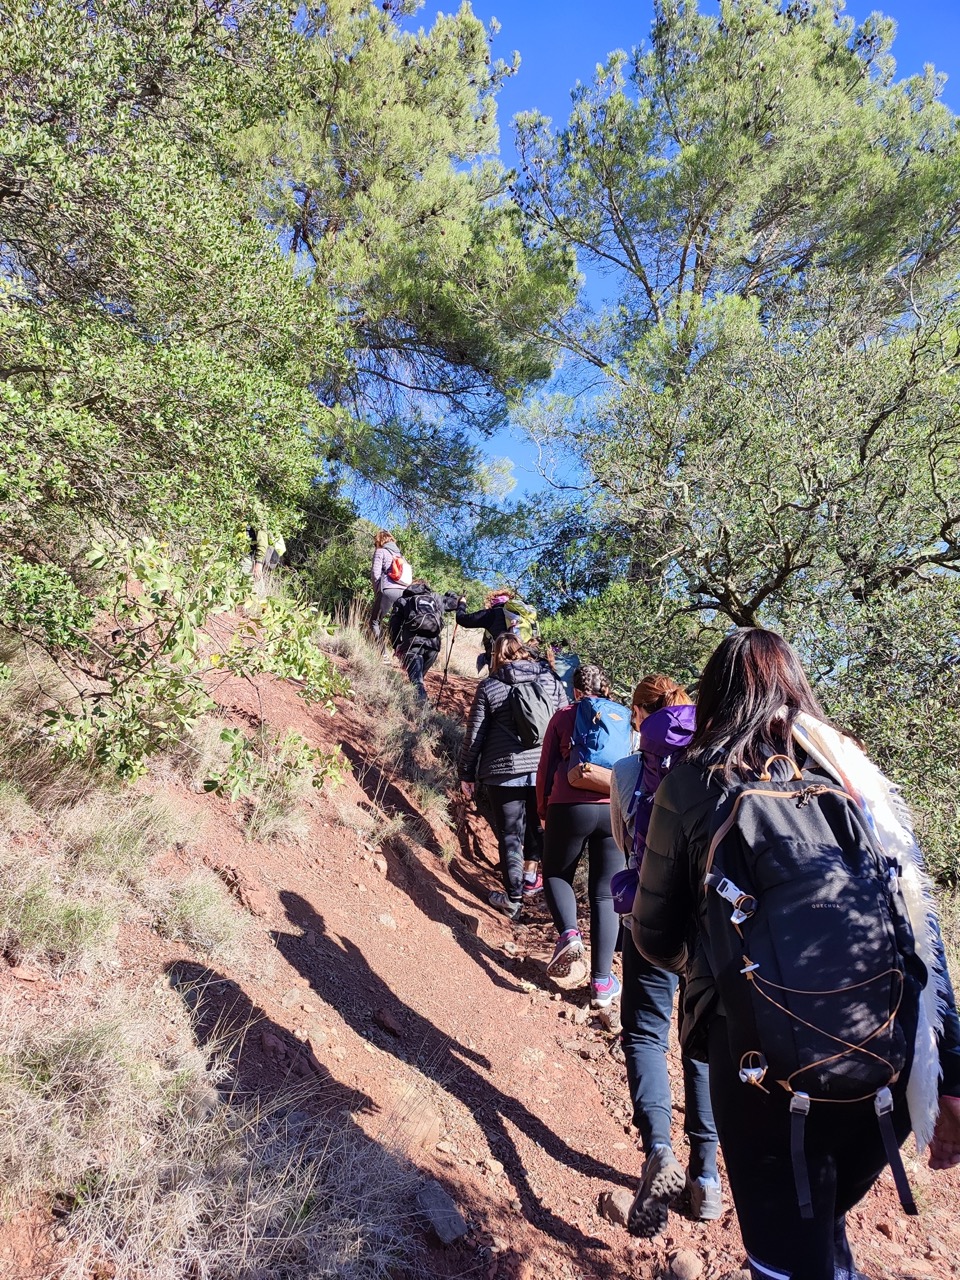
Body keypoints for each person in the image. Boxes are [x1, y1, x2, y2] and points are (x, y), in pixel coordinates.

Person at [632, 628, 960, 1280]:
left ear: (715, 694)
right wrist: (951, 1069)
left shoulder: (693, 781)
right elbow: (921, 925)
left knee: (785, 1259)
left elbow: (654, 935)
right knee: (824, 1226)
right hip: (885, 1064)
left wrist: (725, 961)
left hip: (764, 1074)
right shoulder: (852, 775)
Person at [609, 675, 721, 1237]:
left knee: (646, 1033)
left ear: (641, 714)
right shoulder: (715, 768)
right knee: (698, 1043)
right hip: (706, 936)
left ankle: (658, 1148)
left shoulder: (631, 771)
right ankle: (707, 1180)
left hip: (649, 924)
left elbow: (623, 841)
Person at [458, 634, 567, 919]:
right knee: (540, 827)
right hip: (544, 769)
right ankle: (536, 883)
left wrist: (466, 772)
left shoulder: (490, 686)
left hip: (502, 771)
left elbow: (475, 734)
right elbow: (566, 722)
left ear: (496, 655)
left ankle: (513, 899)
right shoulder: (550, 681)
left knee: (510, 834)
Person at [536, 663, 623, 1007]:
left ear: (575, 690)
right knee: (605, 895)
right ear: (605, 688)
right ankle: (602, 984)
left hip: (569, 804)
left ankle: (570, 935)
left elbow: (545, 768)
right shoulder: (621, 717)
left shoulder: (563, 716)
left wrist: (543, 808)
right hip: (612, 806)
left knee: (557, 873)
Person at [387, 579, 454, 703]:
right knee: (418, 679)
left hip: (412, 645)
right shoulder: (436, 598)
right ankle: (413, 702)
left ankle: (421, 710)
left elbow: (394, 625)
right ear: (426, 586)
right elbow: (455, 603)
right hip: (433, 648)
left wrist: (395, 644)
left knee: (417, 681)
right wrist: (452, 595)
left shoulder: (403, 600)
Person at [455, 589, 538, 673]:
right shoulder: (521, 616)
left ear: (492, 601)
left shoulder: (491, 614)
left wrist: (462, 603)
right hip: (528, 660)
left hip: (503, 664)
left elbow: (462, 619)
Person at [369, 530, 407, 644]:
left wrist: (378, 592)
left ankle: (382, 654)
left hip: (388, 590)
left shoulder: (381, 552)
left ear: (379, 540)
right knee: (397, 623)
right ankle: (399, 653)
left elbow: (375, 574)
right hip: (404, 593)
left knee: (374, 622)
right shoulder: (401, 556)